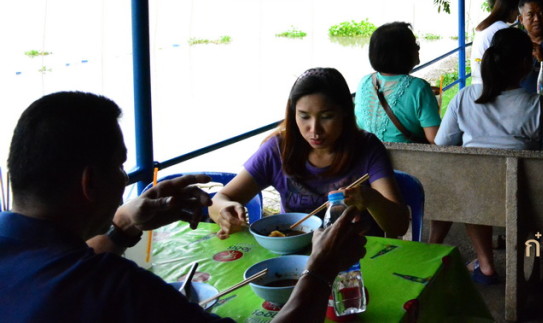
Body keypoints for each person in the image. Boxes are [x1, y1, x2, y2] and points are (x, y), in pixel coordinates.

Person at [0, 91, 365, 322]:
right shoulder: (117, 289)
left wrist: (124, 228)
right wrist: (320, 270)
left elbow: (59, 264)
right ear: (90, 182)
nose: (125, 179)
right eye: (120, 166)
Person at [432, 28, 543, 284]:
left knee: (473, 185)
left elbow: (441, 145)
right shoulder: (538, 105)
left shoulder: (464, 97)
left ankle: (485, 265)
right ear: (526, 64)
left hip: (475, 199)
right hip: (528, 201)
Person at [211, 68, 409, 239]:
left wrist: (371, 199)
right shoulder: (278, 149)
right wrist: (224, 212)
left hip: (356, 257)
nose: (314, 130)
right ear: (292, 113)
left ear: (345, 113)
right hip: (294, 255)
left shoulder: (367, 147)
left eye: (327, 117)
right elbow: (220, 199)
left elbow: (399, 226)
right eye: (304, 116)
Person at [355, 23, 441, 143]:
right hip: (407, 160)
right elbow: (436, 139)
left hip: (369, 157)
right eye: (414, 44)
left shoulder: (364, 82)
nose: (418, 48)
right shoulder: (419, 88)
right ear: (402, 52)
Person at [471, 0, 520, 85]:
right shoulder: (502, 29)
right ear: (511, 10)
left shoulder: (486, 25)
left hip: (478, 79)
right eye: (518, 11)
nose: (518, 15)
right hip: (490, 82)